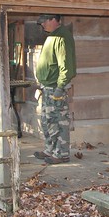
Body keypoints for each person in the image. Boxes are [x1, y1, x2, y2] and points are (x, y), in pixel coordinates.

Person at [34, 14, 76, 164]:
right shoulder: (54, 36)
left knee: (59, 121)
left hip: (55, 88)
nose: (42, 25)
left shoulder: (61, 38)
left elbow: (65, 65)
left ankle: (62, 153)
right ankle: (50, 149)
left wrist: (60, 86)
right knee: (47, 120)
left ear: (53, 20)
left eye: (44, 21)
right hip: (48, 87)